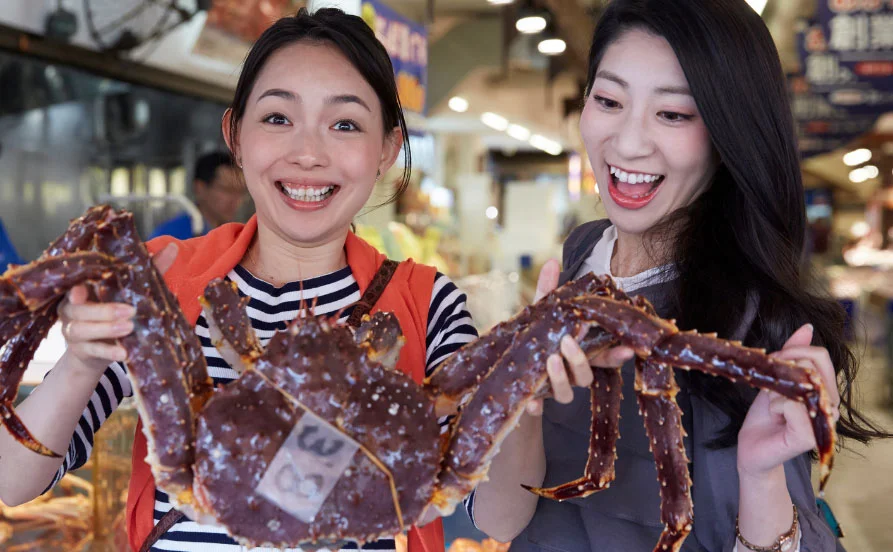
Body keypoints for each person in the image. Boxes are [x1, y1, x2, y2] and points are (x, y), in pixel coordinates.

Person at [0, 8, 477, 552]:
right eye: (278, 117)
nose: (308, 153)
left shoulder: (427, 305)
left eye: (344, 123)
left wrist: (523, 407)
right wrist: (82, 361)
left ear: (387, 150)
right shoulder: (167, 283)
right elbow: (14, 480)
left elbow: (495, 514)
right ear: (236, 135)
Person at [466, 1, 889, 551]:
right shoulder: (582, 252)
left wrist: (762, 478)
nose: (628, 142)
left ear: (727, 133)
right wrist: (520, 403)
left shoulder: (744, 319)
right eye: (609, 100)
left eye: (673, 114)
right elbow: (500, 522)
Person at [149, 151, 246, 240]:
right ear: (200, 188)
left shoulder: (237, 236)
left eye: (241, 192)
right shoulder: (170, 237)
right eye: (227, 190)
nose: (236, 199)